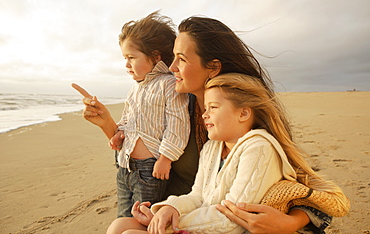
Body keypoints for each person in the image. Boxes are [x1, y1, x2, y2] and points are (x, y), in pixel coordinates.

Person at [82, 15, 338, 233]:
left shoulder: (246, 120)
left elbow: (303, 185)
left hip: (216, 222)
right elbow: (140, 149)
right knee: (118, 226)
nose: (171, 67)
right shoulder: (180, 105)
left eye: (181, 59)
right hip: (184, 209)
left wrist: (290, 222)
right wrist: (107, 125)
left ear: (213, 67)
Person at [107, 73, 349, 234]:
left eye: (213, 108)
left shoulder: (258, 148)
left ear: (243, 114)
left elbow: (231, 221)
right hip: (206, 223)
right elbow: (198, 195)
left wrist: (169, 225)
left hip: (229, 230)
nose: (204, 114)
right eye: (205, 108)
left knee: (129, 233)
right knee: (120, 225)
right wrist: (169, 209)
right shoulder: (213, 147)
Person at [74, 12, 190, 218]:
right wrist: (120, 133)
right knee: (123, 215)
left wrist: (165, 158)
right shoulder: (135, 89)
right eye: (124, 58)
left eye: (131, 58)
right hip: (124, 165)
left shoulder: (169, 84)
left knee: (142, 219)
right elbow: (128, 120)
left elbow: (178, 126)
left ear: (155, 56)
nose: (126, 64)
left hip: (149, 170)